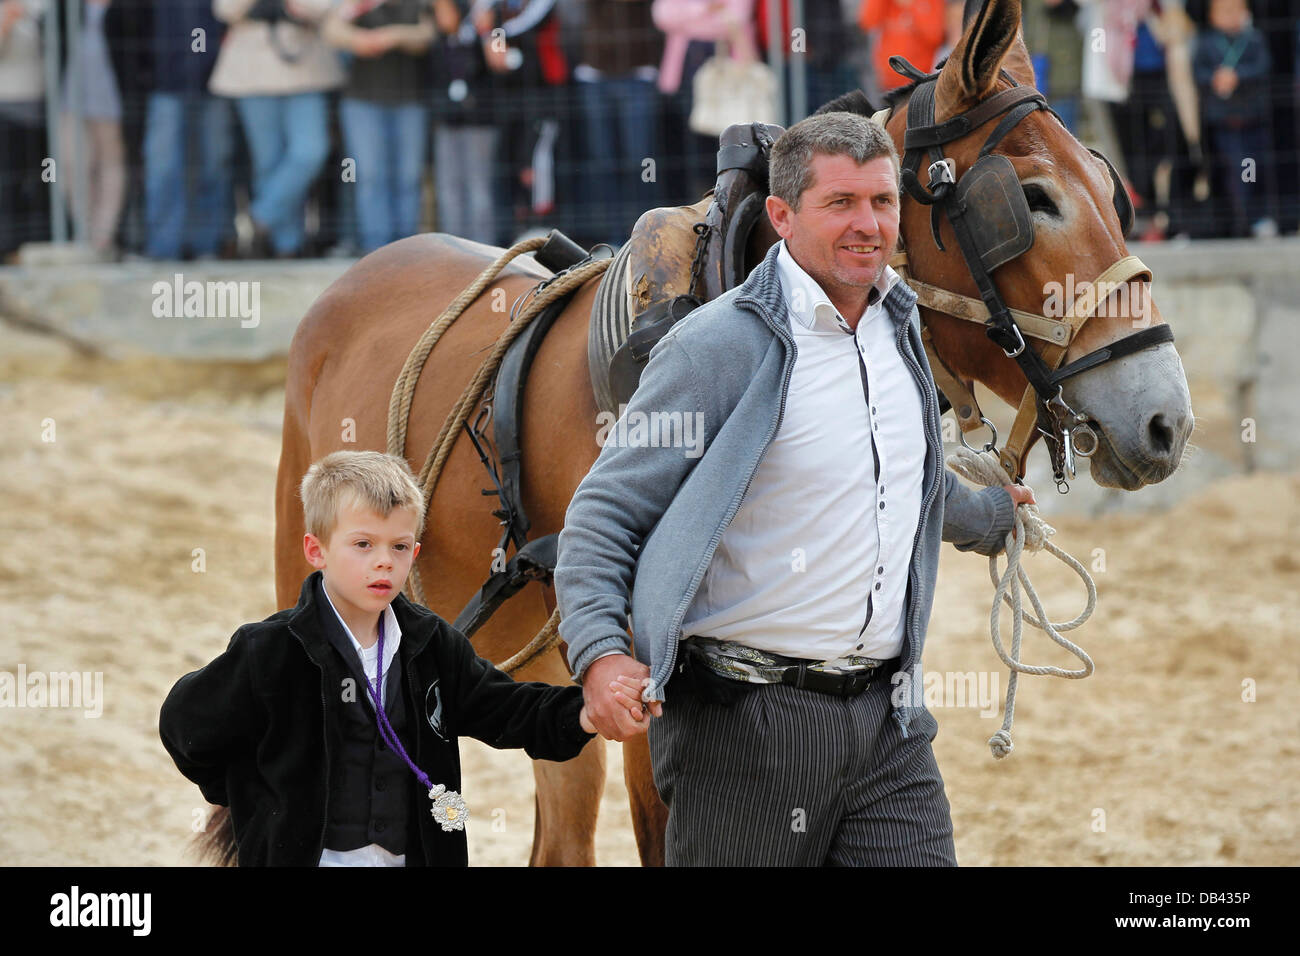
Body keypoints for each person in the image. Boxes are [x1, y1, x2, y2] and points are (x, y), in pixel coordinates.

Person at [555, 111, 1035, 866]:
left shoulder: (900, 327)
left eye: (882, 202)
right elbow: (603, 514)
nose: (868, 225)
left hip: (891, 727)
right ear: (781, 216)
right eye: (840, 203)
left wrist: (987, 514)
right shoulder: (714, 347)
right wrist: (600, 654)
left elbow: (895, 473)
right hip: (743, 731)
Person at [160, 450, 618, 866]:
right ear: (315, 550)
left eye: (398, 547)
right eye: (363, 545)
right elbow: (185, 727)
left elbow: (510, 711)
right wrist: (253, 796)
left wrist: (588, 711)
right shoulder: (269, 650)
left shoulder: (432, 644)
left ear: (414, 553)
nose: (384, 562)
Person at [209, 0, 344, 258]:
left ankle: (261, 217)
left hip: (306, 68)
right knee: (268, 162)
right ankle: (286, 246)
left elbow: (328, 6)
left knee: (311, 151)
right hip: (252, 72)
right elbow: (225, 9)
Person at [1193, 0, 1276, 237]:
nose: (1230, 16)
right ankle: (1236, 220)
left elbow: (1263, 66)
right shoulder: (1207, 42)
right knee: (1229, 171)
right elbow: (1199, 72)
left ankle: (1253, 218)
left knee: (1251, 169)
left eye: (1235, 10)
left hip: (1251, 120)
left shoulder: (1253, 39)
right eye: (1223, 11)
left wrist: (1238, 76)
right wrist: (1216, 79)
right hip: (1223, 122)